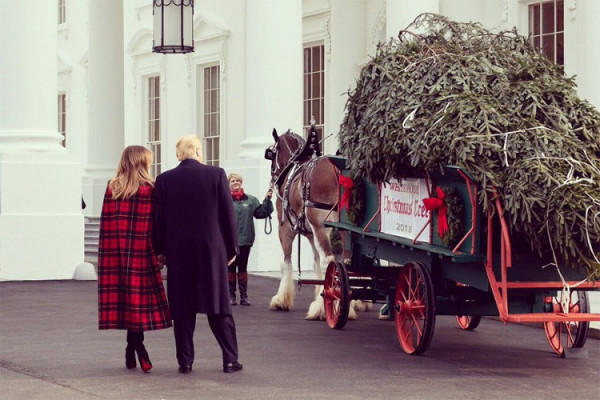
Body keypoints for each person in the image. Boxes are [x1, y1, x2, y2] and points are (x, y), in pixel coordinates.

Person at [152, 135, 243, 375]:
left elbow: (158, 221)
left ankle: (186, 362)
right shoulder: (216, 174)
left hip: (178, 251)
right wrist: (232, 248)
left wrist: (160, 250)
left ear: (180, 154)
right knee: (218, 306)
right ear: (198, 151)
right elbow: (227, 215)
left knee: (182, 309)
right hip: (212, 251)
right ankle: (230, 360)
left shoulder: (164, 180)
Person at [97, 145, 172, 373]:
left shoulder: (112, 188)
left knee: (130, 305)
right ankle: (139, 349)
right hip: (141, 254)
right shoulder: (150, 189)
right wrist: (161, 252)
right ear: (142, 163)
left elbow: (105, 224)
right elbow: (158, 225)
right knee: (137, 305)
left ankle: (131, 349)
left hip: (116, 255)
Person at [227, 173, 273, 306]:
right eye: (233, 181)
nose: (236, 183)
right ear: (228, 184)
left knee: (242, 268)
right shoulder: (224, 200)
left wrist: (267, 200)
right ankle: (231, 296)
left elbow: (261, 213)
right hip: (229, 241)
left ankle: (244, 297)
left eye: (238, 181)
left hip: (246, 241)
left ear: (241, 183)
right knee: (230, 268)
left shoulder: (251, 200)